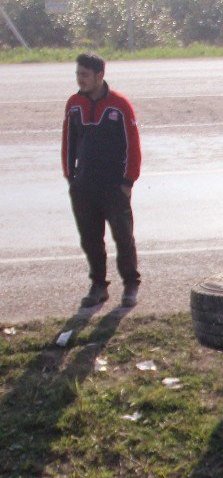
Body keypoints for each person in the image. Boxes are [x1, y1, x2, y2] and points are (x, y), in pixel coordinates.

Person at [62, 52, 141, 308]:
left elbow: (133, 146)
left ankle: (130, 283)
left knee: (123, 236)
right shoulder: (73, 104)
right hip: (84, 186)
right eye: (77, 74)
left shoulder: (120, 104)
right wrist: (70, 177)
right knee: (90, 239)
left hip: (114, 187)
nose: (80, 80)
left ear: (99, 75)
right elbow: (68, 143)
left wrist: (128, 182)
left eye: (84, 75)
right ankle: (98, 285)